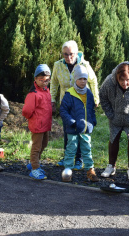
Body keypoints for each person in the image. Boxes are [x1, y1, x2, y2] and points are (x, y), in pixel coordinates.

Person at [50, 40, 99, 170]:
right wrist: (52, 100)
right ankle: (68, 157)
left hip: (82, 102)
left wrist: (95, 98)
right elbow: (54, 83)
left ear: (76, 53)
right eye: (65, 54)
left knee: (81, 130)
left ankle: (79, 159)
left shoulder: (84, 64)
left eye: (71, 54)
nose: (68, 57)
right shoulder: (58, 65)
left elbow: (93, 81)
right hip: (66, 102)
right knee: (68, 130)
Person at [99, 62, 129, 181]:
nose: (125, 83)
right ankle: (111, 166)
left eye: (128, 80)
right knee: (113, 139)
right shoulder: (109, 82)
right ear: (117, 77)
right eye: (122, 80)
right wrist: (110, 114)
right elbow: (103, 97)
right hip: (115, 118)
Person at [59, 65, 99, 182]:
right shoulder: (69, 94)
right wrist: (71, 122)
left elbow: (91, 109)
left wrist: (93, 120)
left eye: (85, 79)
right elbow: (63, 110)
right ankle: (67, 170)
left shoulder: (89, 94)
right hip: (73, 129)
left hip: (86, 128)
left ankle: (90, 170)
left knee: (87, 149)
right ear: (75, 79)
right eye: (80, 79)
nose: (83, 81)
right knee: (71, 148)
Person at [22, 64, 52, 180]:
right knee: (36, 147)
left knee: (44, 144)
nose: (45, 82)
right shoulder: (33, 94)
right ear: (35, 79)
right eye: (41, 80)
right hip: (37, 125)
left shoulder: (46, 91)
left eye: (47, 80)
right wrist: (33, 119)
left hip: (45, 125)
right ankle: (34, 168)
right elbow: (26, 110)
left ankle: (34, 162)